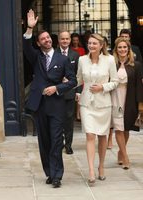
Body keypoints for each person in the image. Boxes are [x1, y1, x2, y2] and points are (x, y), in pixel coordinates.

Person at [23, 9, 76, 188]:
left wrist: (57, 88)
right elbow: (25, 46)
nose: (46, 40)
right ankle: (49, 172)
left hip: (56, 105)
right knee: (44, 141)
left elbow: (73, 81)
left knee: (55, 141)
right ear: (38, 43)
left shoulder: (62, 59)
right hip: (39, 106)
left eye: (48, 38)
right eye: (43, 39)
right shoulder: (36, 57)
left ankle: (57, 175)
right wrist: (29, 29)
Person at [76, 33, 118, 186]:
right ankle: (91, 170)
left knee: (102, 137)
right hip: (87, 104)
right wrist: (69, 85)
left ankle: (101, 166)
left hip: (103, 104)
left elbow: (115, 81)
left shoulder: (110, 60)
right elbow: (79, 79)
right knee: (90, 135)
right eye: (89, 43)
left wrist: (102, 87)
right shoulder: (82, 60)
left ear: (101, 45)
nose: (91, 46)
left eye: (95, 43)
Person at [112, 37, 143, 169]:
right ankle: (125, 157)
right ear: (116, 49)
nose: (122, 50)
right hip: (114, 97)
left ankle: (120, 151)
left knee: (126, 128)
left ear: (128, 49)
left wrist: (140, 104)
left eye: (125, 47)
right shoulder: (111, 64)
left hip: (129, 98)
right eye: (120, 47)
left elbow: (139, 86)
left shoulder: (136, 65)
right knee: (119, 127)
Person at [56, 31, 79, 154]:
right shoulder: (53, 53)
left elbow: (79, 75)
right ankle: (58, 143)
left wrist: (78, 92)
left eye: (67, 39)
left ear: (70, 40)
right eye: (62, 39)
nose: (65, 41)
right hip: (57, 92)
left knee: (69, 120)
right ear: (58, 40)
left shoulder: (75, 55)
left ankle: (68, 145)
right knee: (57, 120)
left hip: (70, 92)